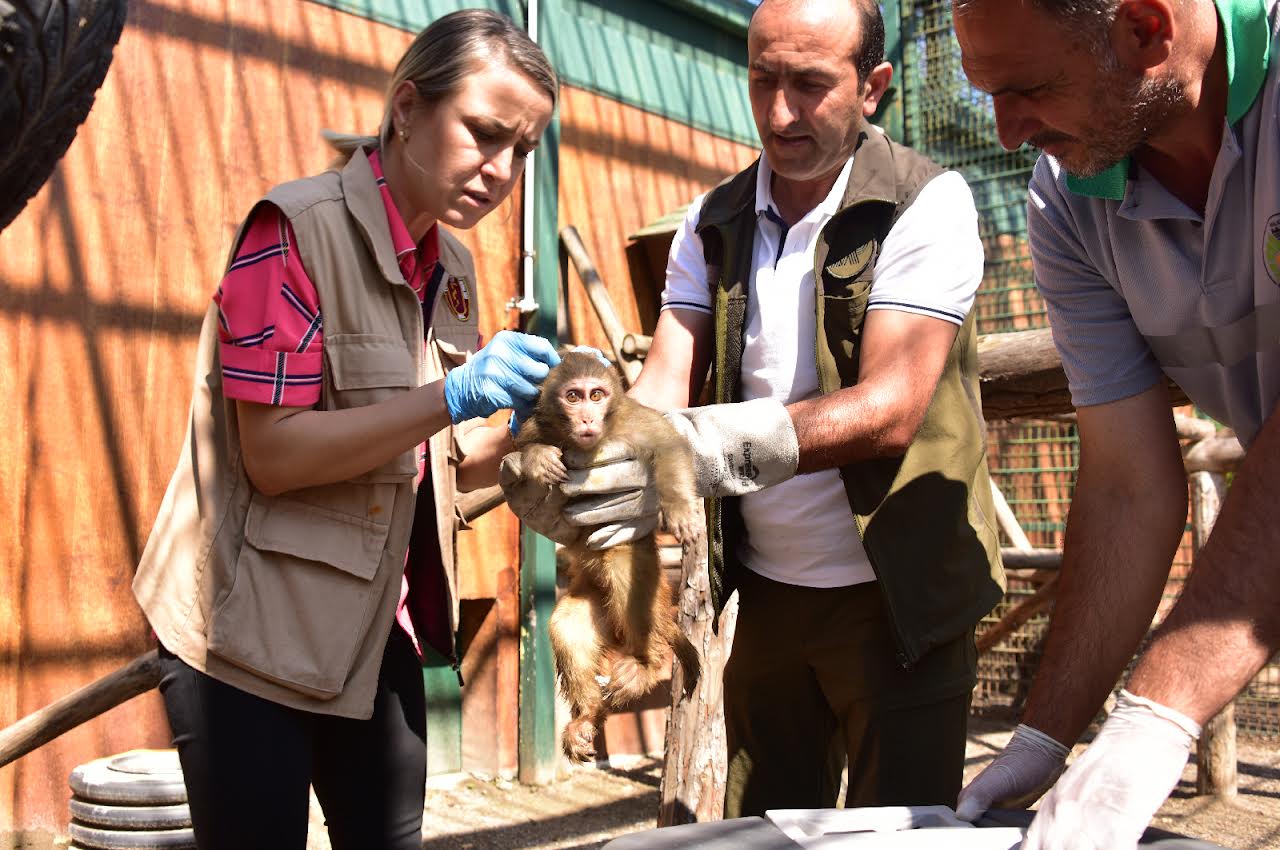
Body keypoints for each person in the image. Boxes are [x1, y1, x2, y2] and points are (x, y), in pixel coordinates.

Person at [504, 0, 1004, 817]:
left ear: (872, 87)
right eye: (763, 79)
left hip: (899, 592)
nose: (779, 112)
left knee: (902, 832)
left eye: (810, 84)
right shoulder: (712, 221)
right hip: (767, 594)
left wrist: (694, 454)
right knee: (760, 827)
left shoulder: (926, 203)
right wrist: (586, 459)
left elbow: (889, 408)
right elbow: (663, 383)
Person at [130, 11, 559, 850]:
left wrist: (531, 437)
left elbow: (430, 465)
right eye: (484, 133)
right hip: (245, 638)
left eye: (525, 150)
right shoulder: (287, 234)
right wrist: (455, 395)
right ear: (406, 107)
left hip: (372, 628)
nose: (502, 169)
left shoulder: (455, 267)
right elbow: (277, 455)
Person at [950, 0, 1280, 846]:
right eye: (986, 91)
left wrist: (1153, 716)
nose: (1006, 128)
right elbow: (1128, 482)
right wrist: (1046, 732)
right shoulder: (1069, 197)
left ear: (1145, 27)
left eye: (1027, 88)